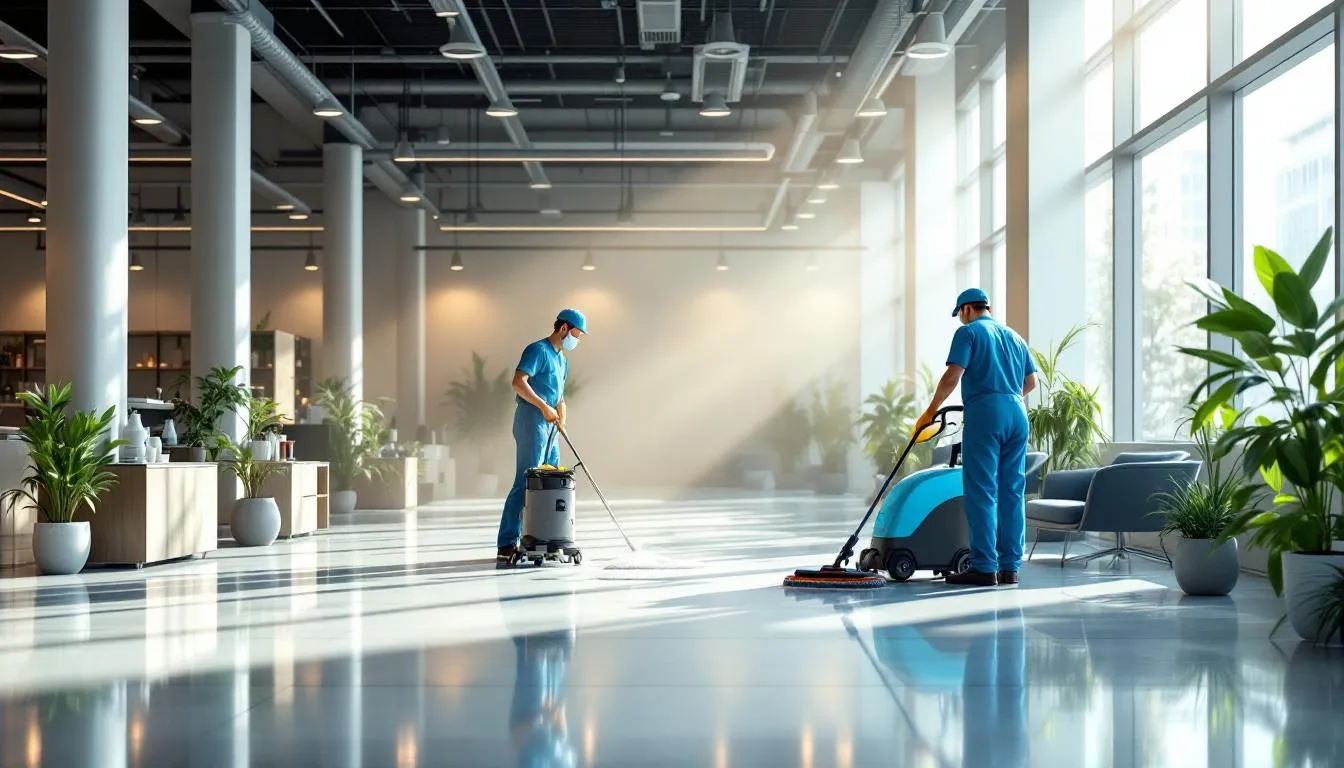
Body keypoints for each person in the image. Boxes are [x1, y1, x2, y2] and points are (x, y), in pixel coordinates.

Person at [914, 289, 1037, 586]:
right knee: (1012, 491)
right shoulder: (1015, 337)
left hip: (985, 413)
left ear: (967, 309)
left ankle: (983, 568)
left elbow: (951, 376)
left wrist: (930, 411)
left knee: (982, 490)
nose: (960, 320)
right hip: (1017, 414)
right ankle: (1010, 567)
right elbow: (1031, 382)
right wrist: (1007, 399)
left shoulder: (969, 333)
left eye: (960, 315)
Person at [497, 309, 587, 564]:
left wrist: (562, 420)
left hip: (550, 425)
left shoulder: (563, 360)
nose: (577, 340)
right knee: (527, 480)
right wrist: (542, 407)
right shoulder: (537, 350)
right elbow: (518, 382)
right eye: (577, 334)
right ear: (564, 329)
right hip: (531, 420)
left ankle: (544, 536)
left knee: (551, 481)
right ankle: (506, 543)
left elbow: (560, 398)